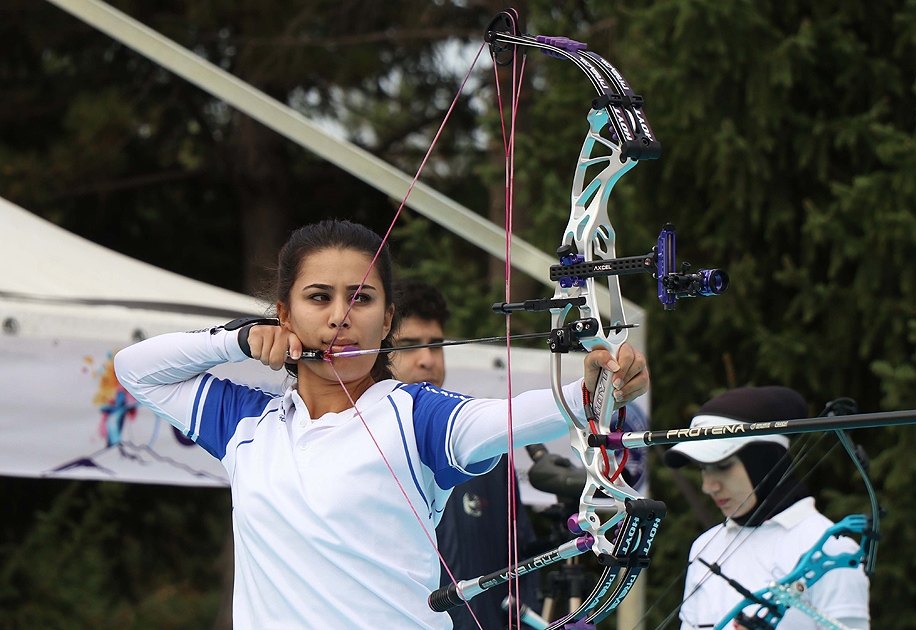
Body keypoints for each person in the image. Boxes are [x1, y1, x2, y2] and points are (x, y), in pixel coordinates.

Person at [113, 219, 648, 628]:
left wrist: (590, 392)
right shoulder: (248, 423)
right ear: (284, 314)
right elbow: (134, 369)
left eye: (361, 298)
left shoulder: (415, 417)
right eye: (319, 297)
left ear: (387, 318)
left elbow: (507, 419)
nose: (340, 315)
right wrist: (234, 340)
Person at [392, 278, 540, 629]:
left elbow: (521, 558)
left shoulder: (486, 449)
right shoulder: (358, 447)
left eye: (436, 345)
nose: (427, 360)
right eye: (410, 345)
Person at [665, 386, 870, 630]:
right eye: (703, 468)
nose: (708, 486)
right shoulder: (704, 547)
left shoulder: (833, 548)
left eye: (722, 466)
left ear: (763, 461)